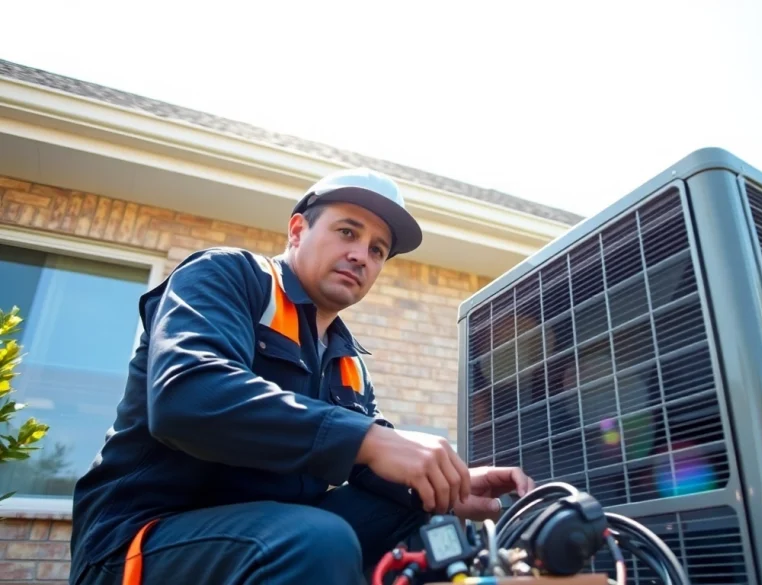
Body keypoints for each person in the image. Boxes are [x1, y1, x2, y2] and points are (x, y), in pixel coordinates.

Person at [69, 168, 535, 585]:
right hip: (135, 542)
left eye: (377, 249)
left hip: (273, 531)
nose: (361, 255)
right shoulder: (228, 277)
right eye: (347, 232)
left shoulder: (347, 360)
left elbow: (365, 462)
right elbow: (186, 397)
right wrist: (372, 440)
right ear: (297, 230)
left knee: (421, 523)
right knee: (315, 538)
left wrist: (448, 487)